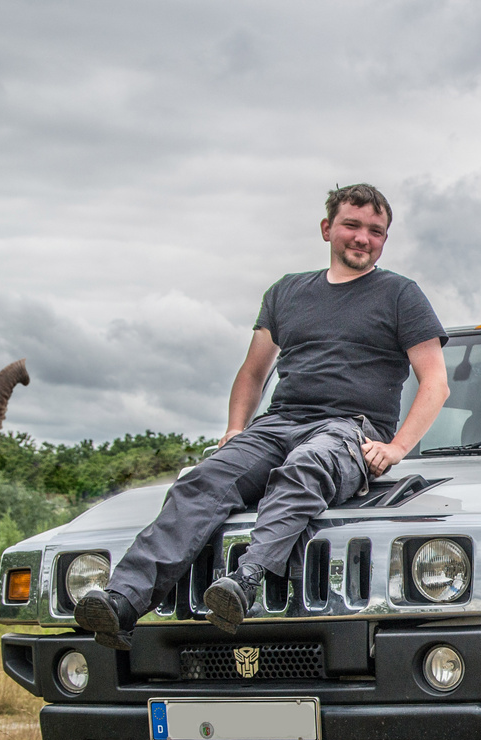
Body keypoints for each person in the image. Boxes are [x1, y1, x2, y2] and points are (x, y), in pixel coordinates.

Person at [75, 183, 450, 648]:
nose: (362, 238)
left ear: (384, 240)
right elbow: (254, 372)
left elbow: (435, 381)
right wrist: (235, 429)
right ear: (327, 228)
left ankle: (245, 582)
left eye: (376, 231)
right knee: (202, 480)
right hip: (278, 422)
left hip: (349, 428)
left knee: (305, 467)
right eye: (352, 225)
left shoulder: (400, 295)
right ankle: (121, 603)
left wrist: (395, 448)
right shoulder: (287, 292)